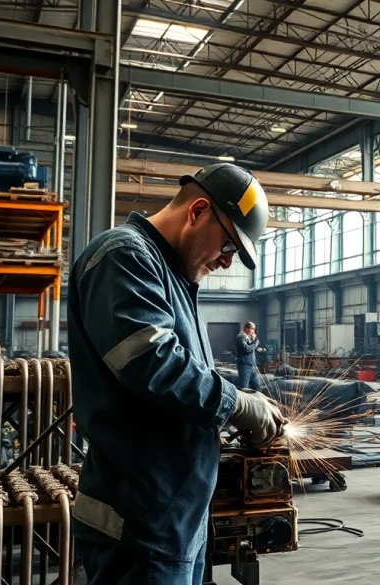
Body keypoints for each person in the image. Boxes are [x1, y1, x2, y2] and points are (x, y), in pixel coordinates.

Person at [67, 163, 284, 584]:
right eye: (227, 246)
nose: (226, 262)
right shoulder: (124, 256)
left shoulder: (174, 277)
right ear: (198, 211)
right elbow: (153, 362)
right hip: (138, 527)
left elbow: (183, 385)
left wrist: (234, 405)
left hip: (176, 519)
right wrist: (235, 404)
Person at [235, 321, 264, 391]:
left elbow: (250, 348)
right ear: (246, 328)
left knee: (258, 386)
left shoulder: (247, 338)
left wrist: (255, 345)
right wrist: (256, 343)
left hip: (251, 366)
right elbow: (247, 349)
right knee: (244, 388)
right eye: (252, 329)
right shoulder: (241, 337)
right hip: (244, 366)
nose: (253, 331)